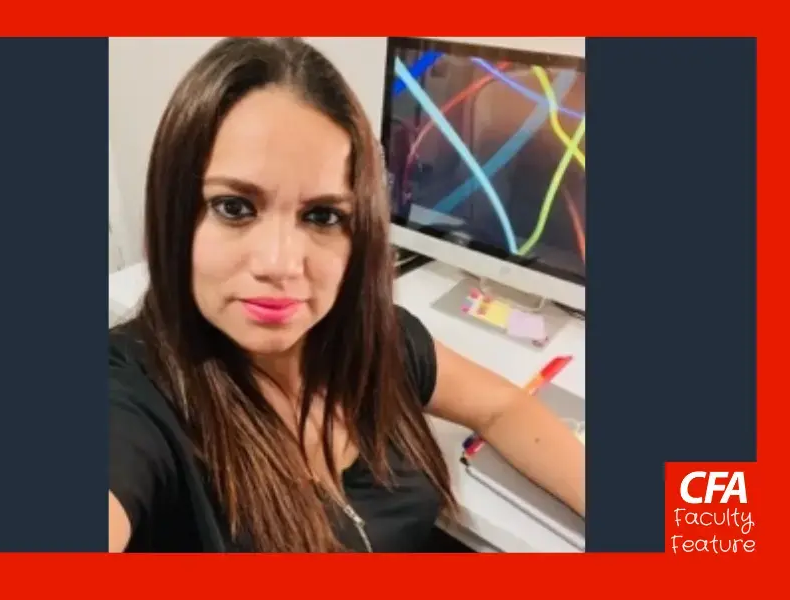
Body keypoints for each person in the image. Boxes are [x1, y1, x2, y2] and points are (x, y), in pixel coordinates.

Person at [109, 36, 585, 553]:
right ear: (174, 210)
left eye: (322, 216)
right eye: (234, 208)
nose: (280, 265)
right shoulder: (135, 395)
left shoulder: (376, 339)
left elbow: (501, 407)